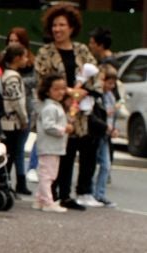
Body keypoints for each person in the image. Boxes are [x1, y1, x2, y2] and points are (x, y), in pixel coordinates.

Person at [34, 3, 100, 210]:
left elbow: (96, 75)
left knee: (72, 151)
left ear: (71, 28)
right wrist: (68, 92)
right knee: (55, 153)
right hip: (55, 110)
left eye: (62, 25)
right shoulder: (45, 52)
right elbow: (41, 80)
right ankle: (49, 195)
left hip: (78, 111)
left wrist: (84, 92)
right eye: (54, 25)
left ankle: (66, 194)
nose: (57, 29)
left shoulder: (81, 50)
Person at [33, 74, 71, 213]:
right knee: (47, 175)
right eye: (56, 89)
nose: (61, 92)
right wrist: (64, 129)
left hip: (53, 146)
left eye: (63, 88)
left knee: (49, 174)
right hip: (49, 146)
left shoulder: (54, 106)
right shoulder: (50, 107)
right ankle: (47, 201)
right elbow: (49, 126)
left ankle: (40, 199)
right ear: (48, 90)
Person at [0, 43, 30, 195]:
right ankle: (4, 183)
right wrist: (24, 119)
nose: (26, 60)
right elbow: (17, 101)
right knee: (9, 154)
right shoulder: (12, 77)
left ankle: (5, 182)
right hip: (11, 122)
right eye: (24, 56)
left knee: (9, 153)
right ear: (17, 58)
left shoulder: (7, 74)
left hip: (7, 120)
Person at [91, 65, 118, 208]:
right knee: (91, 165)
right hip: (97, 134)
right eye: (109, 83)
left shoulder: (111, 97)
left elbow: (112, 116)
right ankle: (89, 192)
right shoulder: (98, 96)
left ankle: (99, 194)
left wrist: (113, 129)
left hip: (105, 135)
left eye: (113, 83)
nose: (111, 86)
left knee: (106, 166)